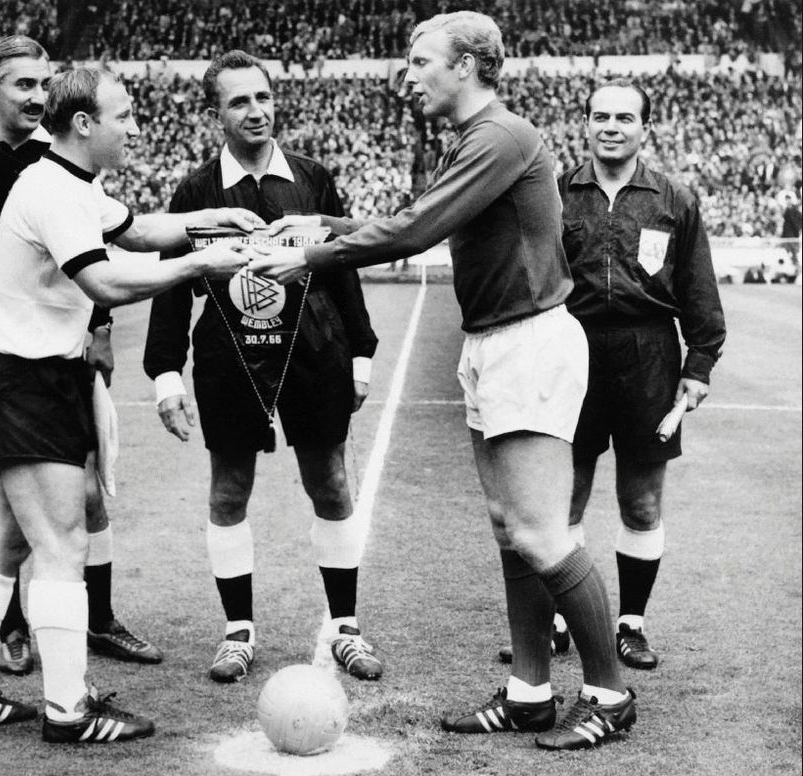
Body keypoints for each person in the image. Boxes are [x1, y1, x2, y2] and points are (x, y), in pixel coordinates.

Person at [251, 11, 637, 751]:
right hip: (493, 341)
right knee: (509, 529)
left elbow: (417, 229)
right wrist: (322, 226)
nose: (408, 73)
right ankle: (529, 692)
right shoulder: (474, 140)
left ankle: (609, 693)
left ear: (466, 65)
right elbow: (408, 218)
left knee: (541, 531)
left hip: (528, 341)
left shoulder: (500, 136)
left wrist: (312, 255)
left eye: (420, 59)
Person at [0, 65, 262, 743]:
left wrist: (210, 219)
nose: (135, 126)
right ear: (84, 124)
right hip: (26, 380)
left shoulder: (73, 182)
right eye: (125, 116)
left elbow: (137, 231)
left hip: (10, 374)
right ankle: (67, 710)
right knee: (61, 545)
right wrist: (204, 264)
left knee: (2, 545)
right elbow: (106, 281)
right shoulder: (52, 190)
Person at [0, 36, 162, 675]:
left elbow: (91, 248)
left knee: (86, 494)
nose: (37, 97)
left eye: (45, 85)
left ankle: (94, 621)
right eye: (23, 85)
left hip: (59, 332)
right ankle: (15, 632)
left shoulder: (60, 160)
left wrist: (99, 329)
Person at [143, 51, 382, 684]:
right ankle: (238, 631)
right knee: (228, 491)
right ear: (214, 113)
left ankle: (345, 628)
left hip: (314, 353)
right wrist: (166, 373)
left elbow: (344, 265)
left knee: (330, 483)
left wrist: (361, 352)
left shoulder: (311, 179)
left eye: (263, 97)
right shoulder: (196, 193)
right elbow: (172, 286)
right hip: (229, 361)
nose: (257, 111)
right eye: (239, 101)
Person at [556, 80, 725, 669]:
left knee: (642, 503)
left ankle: (631, 622)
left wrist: (699, 362)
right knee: (563, 498)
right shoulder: (556, 193)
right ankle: (559, 620)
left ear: (644, 129)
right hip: (572, 352)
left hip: (649, 355)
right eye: (600, 115)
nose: (611, 126)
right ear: (584, 123)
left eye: (624, 118)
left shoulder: (674, 199)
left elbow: (699, 287)